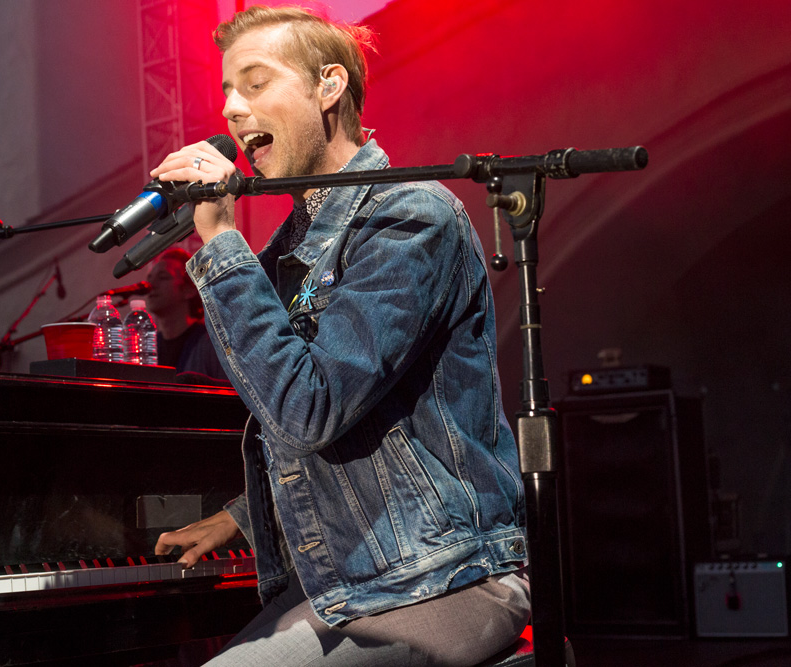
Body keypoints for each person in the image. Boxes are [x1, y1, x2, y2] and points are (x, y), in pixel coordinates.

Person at [151, 6, 529, 666]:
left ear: (328, 86)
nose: (235, 111)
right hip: (368, 582)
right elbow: (368, 429)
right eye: (227, 92)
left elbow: (311, 406)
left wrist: (218, 240)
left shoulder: (411, 215)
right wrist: (240, 517)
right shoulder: (288, 250)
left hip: (452, 577)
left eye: (256, 82)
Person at [144, 248, 228, 382]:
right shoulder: (149, 345)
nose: (150, 285)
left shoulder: (212, 344)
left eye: (163, 277)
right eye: (149, 278)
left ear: (189, 289)